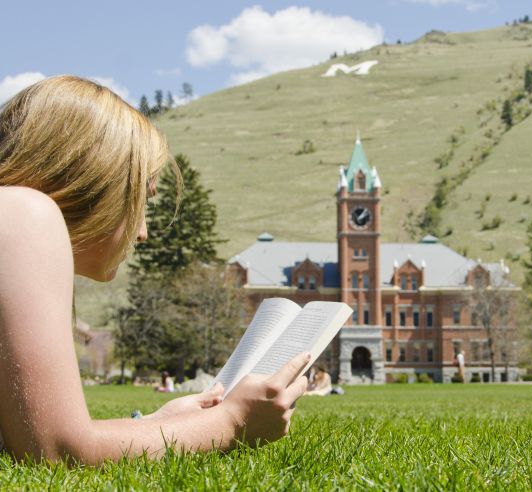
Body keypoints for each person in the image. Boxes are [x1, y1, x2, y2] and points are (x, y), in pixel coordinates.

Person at [0, 76, 309, 463]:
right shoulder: (22, 211)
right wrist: (233, 422)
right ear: (92, 180)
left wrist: (155, 422)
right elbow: (57, 450)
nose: (143, 231)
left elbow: (26, 437)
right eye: (140, 199)